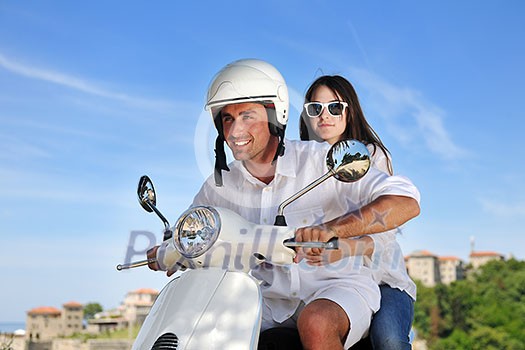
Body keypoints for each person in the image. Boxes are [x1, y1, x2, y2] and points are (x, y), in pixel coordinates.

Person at [148, 59, 420, 349]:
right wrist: (168, 249)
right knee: (208, 327)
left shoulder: (321, 160)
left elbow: (406, 202)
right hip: (267, 298)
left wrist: (332, 229)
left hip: (336, 286)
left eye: (248, 116)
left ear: (275, 115)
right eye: (227, 119)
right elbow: (191, 229)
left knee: (317, 322)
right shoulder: (219, 186)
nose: (235, 131)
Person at [299, 75, 417, 350]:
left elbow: (385, 230)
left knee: (389, 340)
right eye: (315, 108)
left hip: (381, 277)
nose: (324, 116)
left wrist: (345, 246)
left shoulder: (371, 156)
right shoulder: (300, 162)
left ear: (349, 110)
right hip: (326, 280)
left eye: (334, 107)